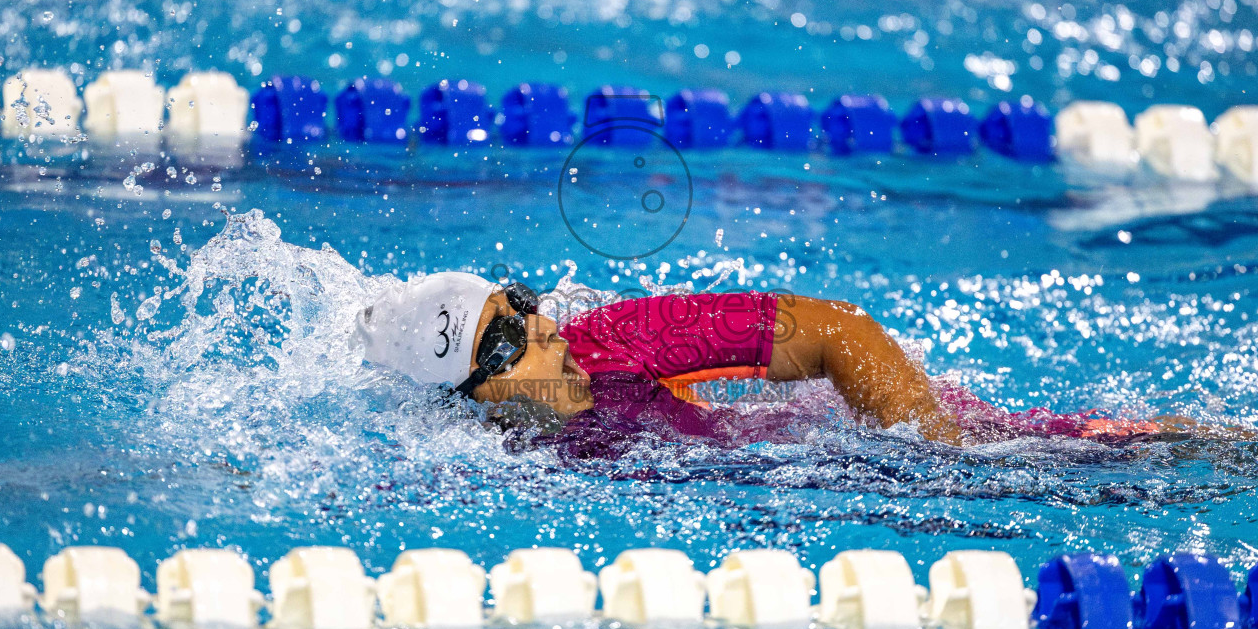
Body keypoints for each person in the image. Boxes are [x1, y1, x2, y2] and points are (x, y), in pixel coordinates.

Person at [352, 272, 1183, 459]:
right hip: (827, 488)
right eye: (504, 344)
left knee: (1145, 453)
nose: (542, 331)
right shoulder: (485, 456)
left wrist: (936, 448)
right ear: (471, 395)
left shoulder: (625, 338)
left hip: (906, 446)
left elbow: (843, 333)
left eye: (521, 306)